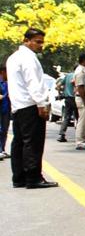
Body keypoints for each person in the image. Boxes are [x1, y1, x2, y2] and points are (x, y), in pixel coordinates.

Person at [6, 28, 58, 188]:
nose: (40, 45)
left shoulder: (13, 58)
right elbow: (33, 83)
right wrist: (41, 104)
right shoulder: (28, 58)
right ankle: (33, 177)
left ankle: (19, 177)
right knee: (32, 142)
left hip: (19, 105)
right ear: (26, 40)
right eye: (37, 42)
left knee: (20, 142)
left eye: (42, 42)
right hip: (31, 105)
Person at [57, 70, 76, 142]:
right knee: (79, 118)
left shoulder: (68, 75)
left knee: (67, 117)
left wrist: (59, 94)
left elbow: (58, 85)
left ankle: (62, 135)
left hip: (67, 99)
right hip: (76, 98)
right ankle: (80, 136)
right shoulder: (77, 74)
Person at [0, 65, 11, 160]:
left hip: (6, 109)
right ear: (3, 72)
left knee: (4, 130)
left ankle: (2, 150)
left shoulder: (7, 83)